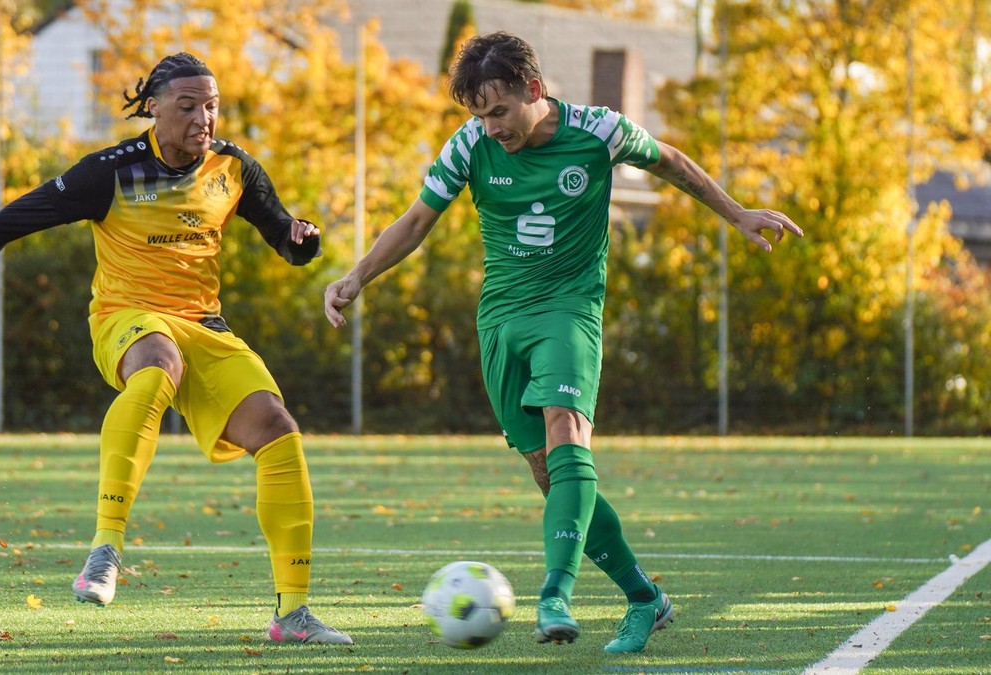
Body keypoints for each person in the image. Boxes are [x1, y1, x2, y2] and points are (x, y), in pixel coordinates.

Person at [324, 31, 803, 654]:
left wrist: (736, 212)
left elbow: (671, 161)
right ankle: (644, 598)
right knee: (552, 476)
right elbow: (416, 220)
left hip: (569, 310)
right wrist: (357, 274)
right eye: (479, 114)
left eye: (499, 111)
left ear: (535, 89)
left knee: (567, 430)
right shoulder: (470, 146)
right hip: (501, 323)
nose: (491, 127)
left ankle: (556, 592)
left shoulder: (598, 131)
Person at [0, 52, 352, 646]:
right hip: (126, 317)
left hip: (205, 324)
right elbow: (14, 220)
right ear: (154, 109)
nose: (204, 119)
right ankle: (105, 549)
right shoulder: (109, 172)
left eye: (212, 106)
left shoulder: (234, 168)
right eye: (188, 106)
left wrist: (305, 240)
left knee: (278, 430)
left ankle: (292, 614)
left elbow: (288, 242)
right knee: (158, 363)